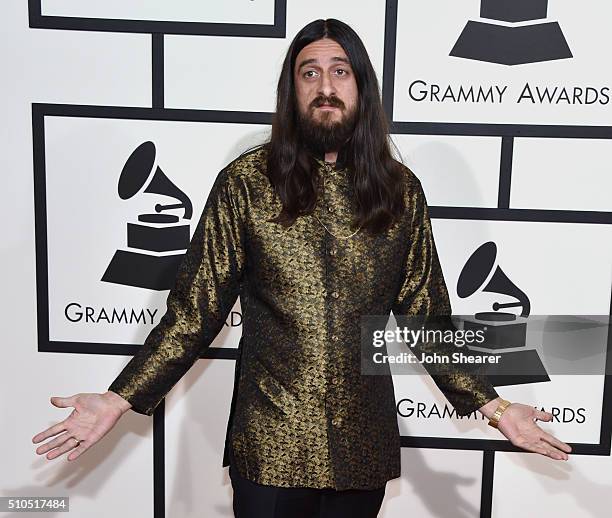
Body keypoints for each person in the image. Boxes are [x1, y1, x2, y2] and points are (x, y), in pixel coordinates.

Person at [32, 18, 572, 518]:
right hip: (270, 448)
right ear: (292, 92)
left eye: (340, 72)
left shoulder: (400, 193)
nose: (325, 87)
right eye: (309, 73)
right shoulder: (245, 184)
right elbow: (194, 311)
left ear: (362, 88)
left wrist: (496, 408)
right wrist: (119, 396)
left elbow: (427, 318)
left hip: (363, 451)